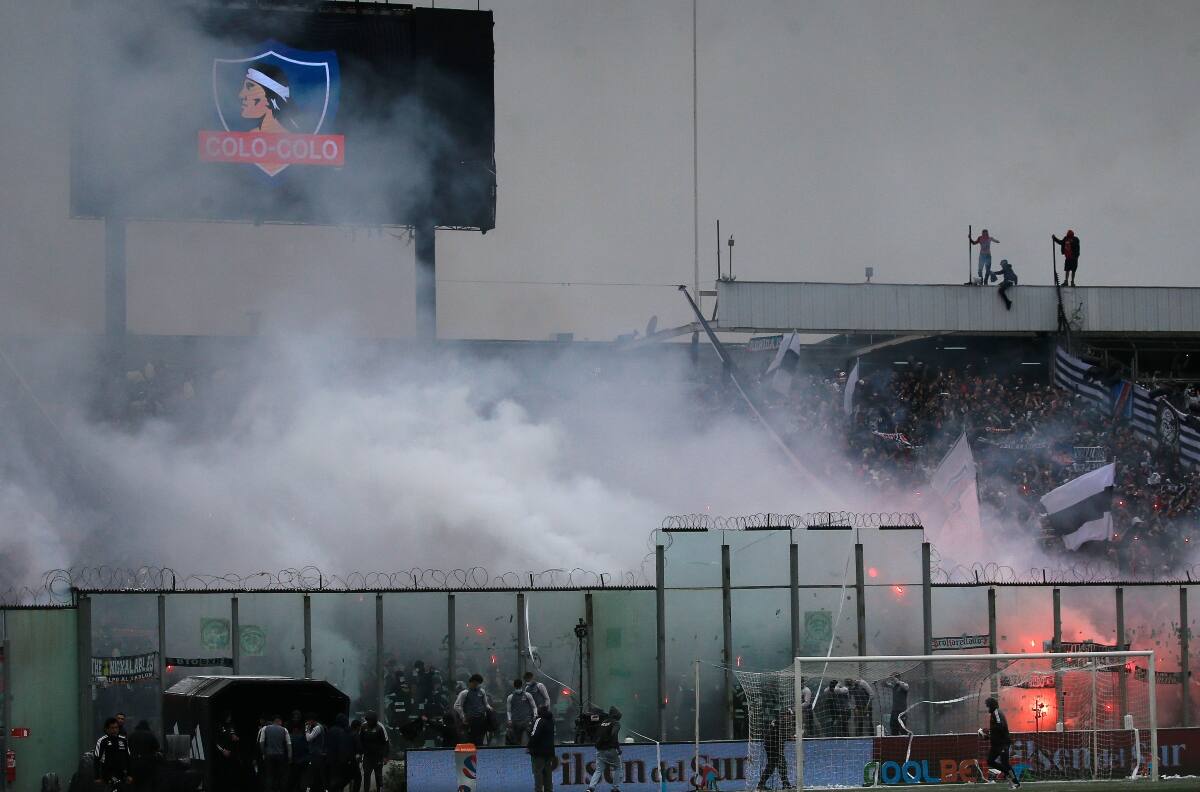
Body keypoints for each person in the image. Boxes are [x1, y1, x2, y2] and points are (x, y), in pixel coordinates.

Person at [979, 697, 1020, 788]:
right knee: (990, 761)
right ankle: (1007, 774)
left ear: (992, 706)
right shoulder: (994, 713)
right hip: (997, 744)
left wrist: (988, 732)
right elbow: (996, 730)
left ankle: (1016, 783)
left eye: (988, 706)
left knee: (1005, 763)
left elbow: (1000, 725)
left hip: (1003, 743)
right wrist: (987, 736)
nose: (988, 708)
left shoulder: (996, 712)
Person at [585, 706, 623, 792]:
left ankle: (591, 788)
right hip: (610, 749)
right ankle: (615, 788)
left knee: (598, 770)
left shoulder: (603, 722)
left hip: (599, 749)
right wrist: (617, 748)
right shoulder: (616, 723)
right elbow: (614, 734)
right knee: (618, 768)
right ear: (616, 715)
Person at [755, 707, 794, 791]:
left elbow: (781, 734)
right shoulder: (781, 722)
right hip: (773, 745)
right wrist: (792, 737)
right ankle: (784, 784)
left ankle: (785, 783)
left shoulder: (778, 721)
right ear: (784, 715)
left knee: (778, 765)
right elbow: (783, 735)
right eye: (789, 715)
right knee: (775, 765)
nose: (790, 717)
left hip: (773, 745)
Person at [454, 674, 494, 746]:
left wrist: (489, 708)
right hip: (470, 719)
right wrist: (463, 716)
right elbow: (457, 706)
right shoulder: (464, 693)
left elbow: (486, 704)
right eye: (476, 683)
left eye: (479, 684)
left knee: (480, 740)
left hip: (481, 719)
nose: (477, 685)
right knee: (470, 740)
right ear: (471, 682)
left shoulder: (482, 691)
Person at [94, 717, 132, 791]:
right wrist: (97, 777)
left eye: (116, 728)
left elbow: (128, 758)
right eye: (112, 728)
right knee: (117, 785)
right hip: (108, 773)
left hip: (122, 773)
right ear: (107, 729)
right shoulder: (102, 741)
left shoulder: (123, 740)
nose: (114, 730)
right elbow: (97, 758)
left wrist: (130, 774)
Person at [258, 715, 292, 792]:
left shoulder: (265, 728)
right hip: (280, 756)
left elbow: (261, 742)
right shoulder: (284, 730)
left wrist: (264, 753)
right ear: (279, 721)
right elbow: (289, 745)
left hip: (269, 755)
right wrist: (290, 757)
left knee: (269, 776)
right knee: (280, 776)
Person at [358, 711, 389, 792]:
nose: (369, 722)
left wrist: (385, 756)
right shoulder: (363, 727)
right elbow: (360, 740)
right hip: (367, 756)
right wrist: (360, 753)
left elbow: (385, 743)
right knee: (366, 775)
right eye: (368, 720)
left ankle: (379, 790)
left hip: (378, 756)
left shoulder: (380, 728)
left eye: (371, 720)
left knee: (378, 776)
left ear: (375, 720)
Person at [527, 706, 556, 792]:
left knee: (538, 773)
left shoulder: (539, 720)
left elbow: (534, 735)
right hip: (549, 751)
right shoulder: (551, 721)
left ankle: (538, 790)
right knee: (548, 774)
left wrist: (529, 746)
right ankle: (549, 790)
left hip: (538, 752)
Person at [127, 720, 159, 792]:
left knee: (136, 785)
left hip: (134, 763)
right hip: (148, 764)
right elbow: (156, 747)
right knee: (147, 784)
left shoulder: (132, 735)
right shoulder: (150, 735)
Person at [215, 712, 242, 792]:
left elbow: (233, 734)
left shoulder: (231, 725)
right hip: (222, 754)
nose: (229, 718)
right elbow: (215, 741)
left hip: (232, 754)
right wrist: (223, 750)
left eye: (230, 716)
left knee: (234, 773)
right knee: (224, 774)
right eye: (228, 716)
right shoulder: (218, 725)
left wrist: (236, 737)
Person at [506, 679, 538, 746]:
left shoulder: (527, 695)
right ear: (514, 686)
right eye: (517, 687)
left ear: (521, 686)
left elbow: (534, 707)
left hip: (526, 721)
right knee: (517, 741)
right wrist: (509, 719)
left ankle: (531, 749)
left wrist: (535, 715)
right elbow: (508, 711)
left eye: (519, 687)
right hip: (515, 721)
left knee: (530, 737)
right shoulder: (510, 697)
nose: (518, 688)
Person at [305, 713, 328, 792]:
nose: (308, 722)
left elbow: (309, 738)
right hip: (317, 754)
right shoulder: (318, 727)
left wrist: (306, 729)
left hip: (316, 755)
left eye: (308, 720)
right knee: (319, 773)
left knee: (313, 773)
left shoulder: (317, 728)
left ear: (312, 720)